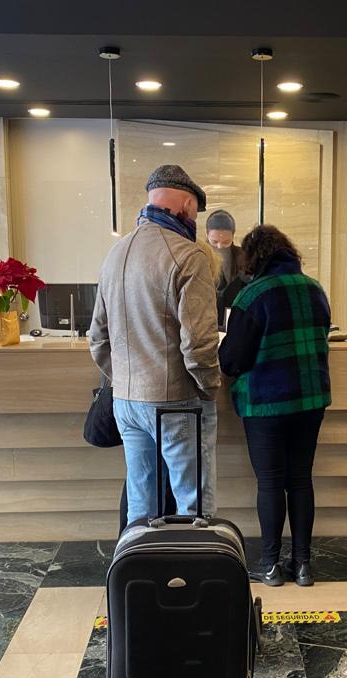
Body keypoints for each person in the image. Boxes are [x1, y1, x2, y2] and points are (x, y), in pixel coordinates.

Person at [90, 165, 221, 525]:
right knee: (193, 507)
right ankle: (193, 564)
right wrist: (208, 388)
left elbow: (97, 337)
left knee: (141, 503)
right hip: (176, 399)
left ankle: (137, 561)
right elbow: (199, 343)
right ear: (188, 204)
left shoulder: (115, 253)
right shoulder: (188, 255)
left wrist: (124, 380)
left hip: (126, 402)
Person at [219, 225, 332, 587]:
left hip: (266, 403)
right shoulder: (314, 289)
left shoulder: (252, 296)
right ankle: (303, 565)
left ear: (253, 258)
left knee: (270, 482)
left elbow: (232, 360)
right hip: (310, 399)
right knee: (300, 479)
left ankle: (270, 565)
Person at [206, 209, 250, 328]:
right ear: (207, 234)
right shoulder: (197, 255)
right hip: (206, 316)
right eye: (214, 241)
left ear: (233, 236)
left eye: (226, 242)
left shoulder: (242, 255)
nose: (220, 246)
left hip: (234, 315)